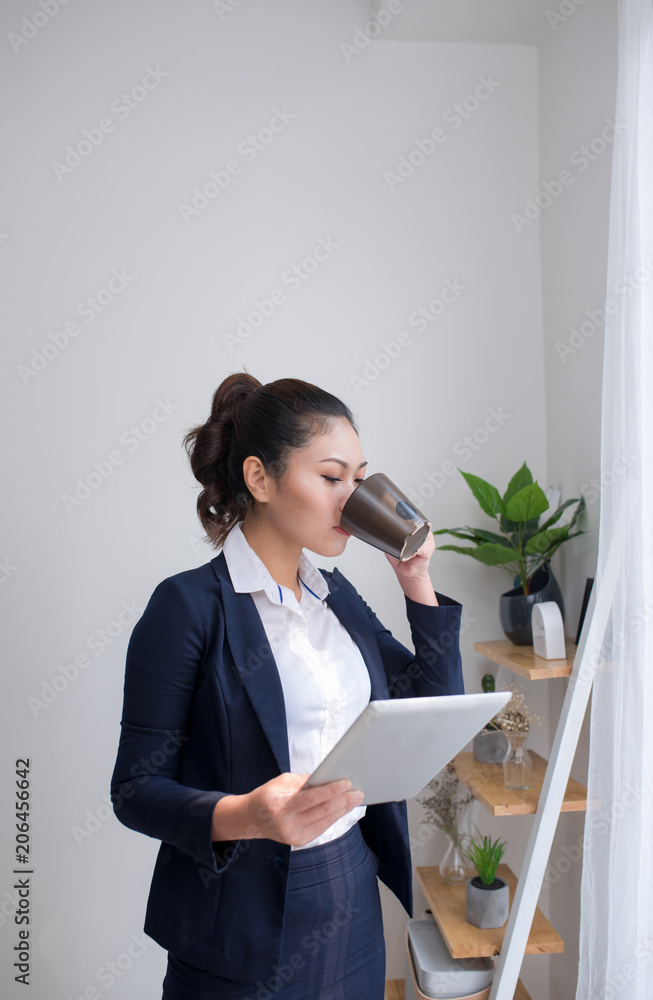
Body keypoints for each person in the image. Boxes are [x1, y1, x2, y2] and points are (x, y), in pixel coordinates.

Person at [110, 372, 465, 1000]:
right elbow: (135, 790)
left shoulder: (339, 599)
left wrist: (417, 581)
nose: (353, 501)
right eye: (332, 478)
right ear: (259, 479)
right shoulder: (189, 607)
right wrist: (245, 814)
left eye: (360, 479)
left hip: (352, 898)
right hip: (238, 927)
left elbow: (432, 705)